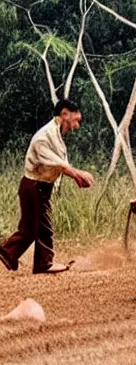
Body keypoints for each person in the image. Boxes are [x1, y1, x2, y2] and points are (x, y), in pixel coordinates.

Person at [0, 99, 95, 274]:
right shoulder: (43, 137)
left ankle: (43, 263)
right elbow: (55, 162)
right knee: (29, 230)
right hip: (33, 186)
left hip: (42, 187)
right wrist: (77, 174)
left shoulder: (56, 135)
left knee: (44, 229)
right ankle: (6, 253)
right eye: (76, 117)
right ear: (65, 114)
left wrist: (76, 177)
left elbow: (60, 164)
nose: (78, 123)